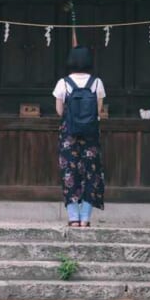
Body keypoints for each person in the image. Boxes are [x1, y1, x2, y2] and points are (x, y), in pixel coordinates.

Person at [53, 45, 105, 227]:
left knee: (70, 173)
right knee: (91, 174)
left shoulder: (63, 83)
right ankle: (85, 218)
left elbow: (60, 111)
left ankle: (73, 218)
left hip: (69, 135)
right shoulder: (97, 83)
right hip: (91, 135)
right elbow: (98, 110)